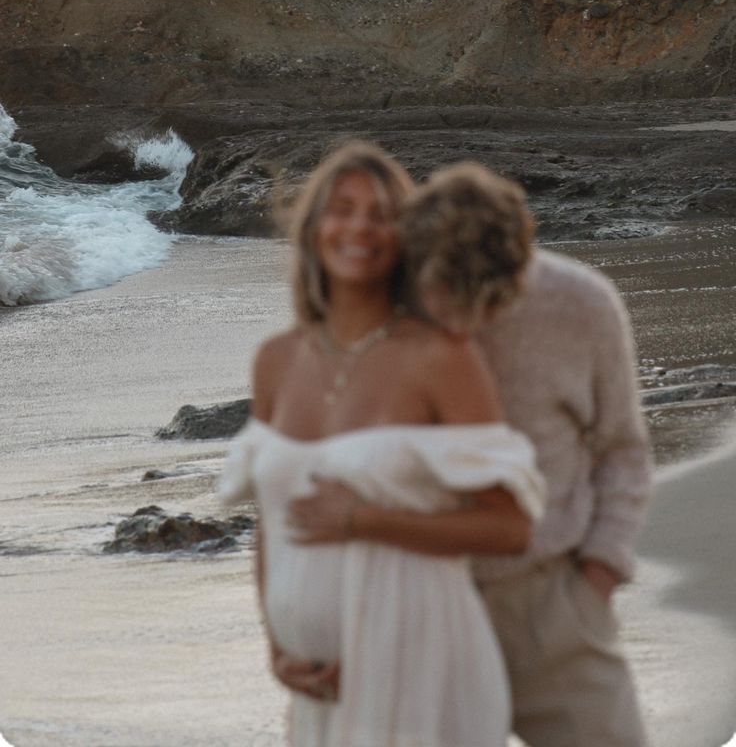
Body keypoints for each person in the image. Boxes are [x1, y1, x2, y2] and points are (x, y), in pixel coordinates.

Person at [295, 161, 653, 747]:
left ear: (520, 272)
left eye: (486, 308)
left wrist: (598, 577)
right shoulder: (381, 307)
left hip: (550, 603)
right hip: (414, 603)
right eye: (445, 305)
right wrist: (331, 627)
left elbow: (622, 451)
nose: (464, 326)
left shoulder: (583, 303)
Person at [220, 142, 545, 747]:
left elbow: (509, 528)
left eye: (381, 213)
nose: (360, 227)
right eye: (343, 208)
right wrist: (277, 647)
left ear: (406, 238)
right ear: (315, 225)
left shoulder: (441, 358)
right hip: (320, 686)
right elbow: (273, 521)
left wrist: (360, 519)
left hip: (424, 660)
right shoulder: (277, 361)